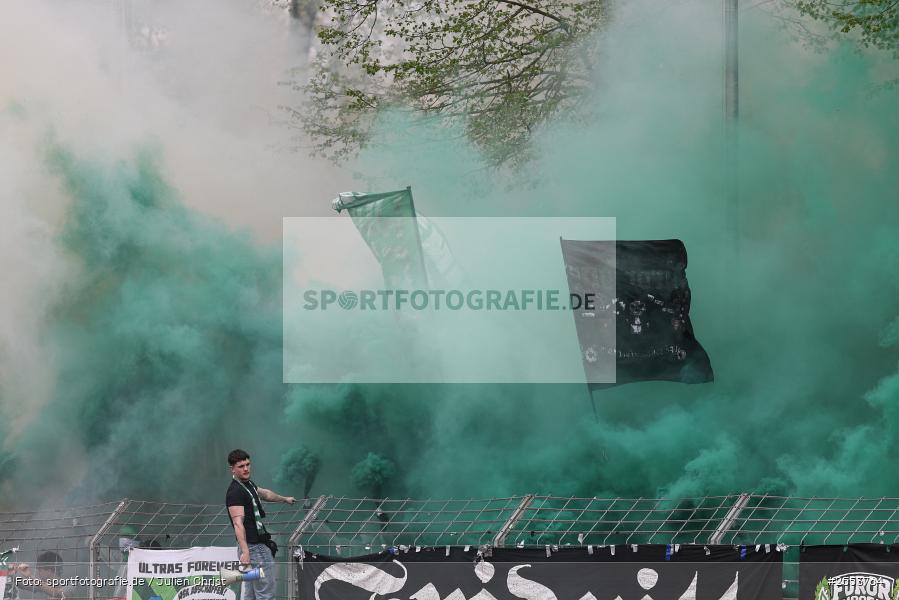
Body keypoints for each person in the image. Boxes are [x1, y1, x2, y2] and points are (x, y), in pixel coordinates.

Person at [225, 449, 295, 600]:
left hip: (253, 549)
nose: (246, 469)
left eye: (248, 464)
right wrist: (245, 552)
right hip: (254, 549)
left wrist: (284, 498)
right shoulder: (235, 491)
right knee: (266, 594)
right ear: (232, 468)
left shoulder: (247, 484)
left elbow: (264, 494)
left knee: (250, 594)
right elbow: (238, 523)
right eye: (241, 466)